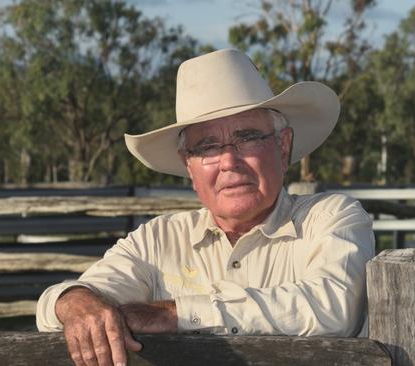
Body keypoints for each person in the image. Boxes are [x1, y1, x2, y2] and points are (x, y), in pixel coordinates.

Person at [36, 48, 375, 366]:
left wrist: (174, 314)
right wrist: (76, 302)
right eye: (208, 147)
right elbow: (63, 305)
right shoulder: (157, 239)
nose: (230, 161)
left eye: (248, 137)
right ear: (189, 165)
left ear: (283, 146)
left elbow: (334, 308)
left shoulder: (332, 217)